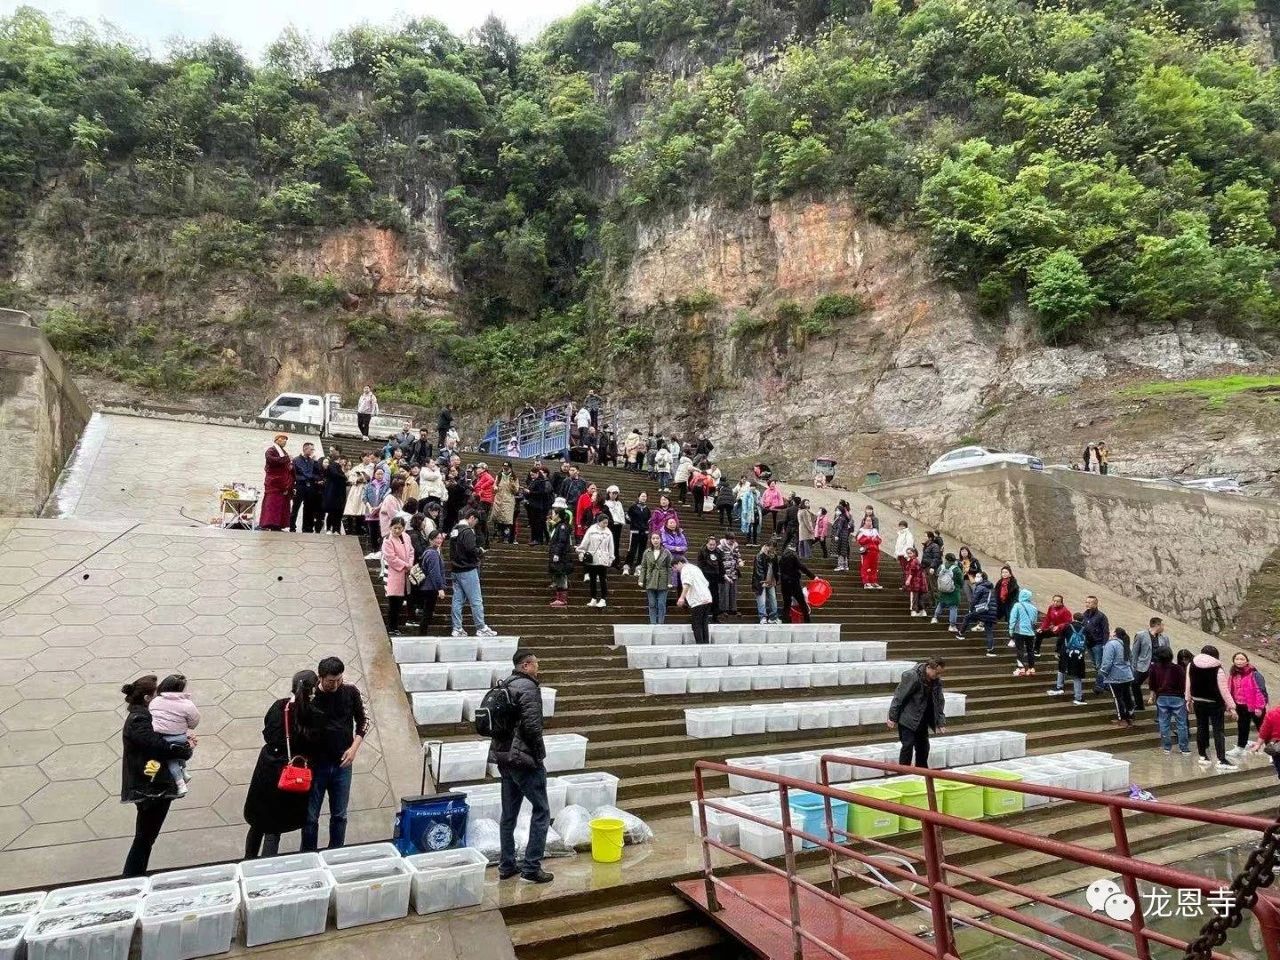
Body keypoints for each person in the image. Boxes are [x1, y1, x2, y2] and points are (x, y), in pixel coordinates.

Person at [120, 675, 194, 877]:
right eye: (156, 693)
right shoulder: (140, 721)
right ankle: (131, 878)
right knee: (144, 838)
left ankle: (134, 875)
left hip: (151, 784)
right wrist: (185, 748)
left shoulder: (146, 716)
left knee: (146, 837)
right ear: (146, 698)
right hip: (150, 788)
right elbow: (160, 747)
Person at [491, 650, 552, 884]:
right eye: (536, 664)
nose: (538, 668)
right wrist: (538, 756)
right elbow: (533, 727)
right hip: (523, 759)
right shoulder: (528, 687)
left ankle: (507, 865)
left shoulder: (505, 685)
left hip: (504, 757)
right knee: (542, 810)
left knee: (509, 814)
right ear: (525, 665)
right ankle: (531, 867)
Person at [244, 670, 318, 857]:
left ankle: (248, 860)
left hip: (266, 769)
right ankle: (267, 865)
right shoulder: (313, 713)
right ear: (313, 689)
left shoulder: (279, 706)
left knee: (258, 823)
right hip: (290, 773)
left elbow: (267, 732)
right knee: (274, 827)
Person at [301, 657, 369, 852]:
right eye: (331, 681)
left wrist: (354, 748)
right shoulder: (310, 696)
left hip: (342, 763)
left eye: (339, 679)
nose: (336, 684)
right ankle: (309, 853)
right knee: (310, 817)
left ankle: (336, 852)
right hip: (316, 764)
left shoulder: (350, 691)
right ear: (321, 678)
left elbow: (364, 720)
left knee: (339, 815)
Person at [887, 659, 948, 768]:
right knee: (908, 745)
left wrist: (940, 722)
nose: (938, 676)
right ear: (929, 668)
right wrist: (892, 717)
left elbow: (939, 701)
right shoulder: (912, 676)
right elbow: (899, 696)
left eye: (940, 673)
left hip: (923, 719)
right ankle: (904, 772)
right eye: (937, 673)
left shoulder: (936, 682)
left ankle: (921, 772)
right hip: (908, 718)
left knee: (924, 748)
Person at [450, 508, 498, 637]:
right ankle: (481, 627)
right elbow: (471, 549)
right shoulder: (467, 531)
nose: (475, 524)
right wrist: (480, 551)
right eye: (475, 521)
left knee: (457, 600)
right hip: (468, 569)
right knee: (476, 600)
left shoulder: (455, 529)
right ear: (472, 517)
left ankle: (457, 628)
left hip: (456, 569)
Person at [149, 674, 199, 797]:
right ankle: (183, 774)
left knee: (171, 759)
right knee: (177, 755)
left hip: (162, 737)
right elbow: (194, 721)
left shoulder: (155, 701)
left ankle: (181, 783)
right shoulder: (188, 705)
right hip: (180, 736)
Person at [1188, 645, 1236, 770]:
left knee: (1201, 728)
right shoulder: (1217, 669)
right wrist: (1232, 707)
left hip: (1198, 701)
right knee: (1218, 731)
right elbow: (1224, 690)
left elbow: (1188, 683)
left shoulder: (1191, 665)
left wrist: (1188, 699)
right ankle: (1221, 759)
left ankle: (1203, 756)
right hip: (1215, 703)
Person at [1148, 647, 1189, 754]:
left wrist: (1152, 696)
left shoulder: (1154, 668)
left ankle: (1167, 747)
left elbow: (1152, 684)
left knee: (1163, 723)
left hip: (1161, 697)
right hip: (1177, 697)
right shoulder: (1178, 668)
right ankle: (1184, 748)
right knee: (1181, 724)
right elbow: (1183, 684)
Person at [1228, 653, 1270, 758]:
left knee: (1263, 728)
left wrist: (1259, 707)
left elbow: (1260, 691)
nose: (1239, 661)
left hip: (1255, 707)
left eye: (1242, 659)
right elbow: (1230, 689)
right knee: (1242, 727)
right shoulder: (1233, 674)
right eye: (1237, 659)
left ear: (1247, 661)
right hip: (1240, 706)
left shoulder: (1254, 674)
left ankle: (1272, 751)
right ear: (1233, 661)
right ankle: (1240, 748)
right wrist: (1231, 706)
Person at [1047, 613, 1089, 705]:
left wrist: (1057, 650)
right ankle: (1078, 697)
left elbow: (1061, 638)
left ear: (1073, 618)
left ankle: (1059, 687)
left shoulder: (1067, 626)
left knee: (1061, 669)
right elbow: (1089, 641)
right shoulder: (1086, 629)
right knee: (1077, 676)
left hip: (1066, 652)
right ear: (1082, 620)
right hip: (1078, 655)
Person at [382, 516, 414, 635]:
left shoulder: (406, 537)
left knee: (400, 602)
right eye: (395, 528)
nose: (397, 530)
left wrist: (410, 563)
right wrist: (405, 565)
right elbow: (391, 558)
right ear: (390, 527)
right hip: (394, 573)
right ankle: (391, 627)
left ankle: (395, 627)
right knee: (393, 602)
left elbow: (411, 551)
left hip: (405, 573)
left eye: (399, 528)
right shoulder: (387, 540)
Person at [1098, 627, 1136, 726]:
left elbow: (1107, 662)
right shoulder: (1125, 644)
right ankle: (1130, 715)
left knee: (1118, 698)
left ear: (1114, 633)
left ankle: (1122, 718)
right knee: (1127, 695)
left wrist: (1102, 673)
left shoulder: (1111, 644)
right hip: (1127, 675)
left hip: (1115, 676)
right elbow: (1131, 659)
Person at [577, 513, 615, 608]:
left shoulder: (608, 532)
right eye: (604, 523)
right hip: (593, 557)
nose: (605, 525)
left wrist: (611, 557)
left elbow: (611, 546)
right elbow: (585, 542)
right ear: (599, 522)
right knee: (593, 579)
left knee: (603, 579)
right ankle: (593, 598)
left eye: (607, 523)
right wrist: (581, 550)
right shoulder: (591, 530)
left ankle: (603, 599)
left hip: (603, 558)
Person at [674, 556, 714, 644]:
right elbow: (706, 582)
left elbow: (687, 583)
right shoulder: (695, 567)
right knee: (704, 623)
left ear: (680, 563)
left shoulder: (685, 569)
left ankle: (700, 644)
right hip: (707, 597)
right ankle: (705, 644)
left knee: (697, 624)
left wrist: (682, 597)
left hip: (697, 600)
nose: (675, 570)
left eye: (675, 567)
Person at [416, 528, 447, 634]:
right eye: (436, 538)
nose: (439, 540)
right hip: (430, 587)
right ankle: (422, 633)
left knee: (427, 612)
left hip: (427, 586)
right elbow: (435, 572)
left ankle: (422, 633)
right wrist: (440, 588)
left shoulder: (428, 551)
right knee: (427, 612)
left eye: (440, 538)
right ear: (430, 540)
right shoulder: (433, 553)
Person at [260, 434, 294, 532]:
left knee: (282, 505)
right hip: (273, 483)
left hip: (283, 483)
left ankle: (279, 525)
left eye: (286, 440)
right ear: (276, 440)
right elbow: (271, 460)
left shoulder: (284, 452)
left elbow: (286, 466)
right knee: (272, 504)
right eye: (282, 439)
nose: (285, 441)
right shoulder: (271, 451)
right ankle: (270, 524)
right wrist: (286, 458)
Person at [638, 532, 674, 624]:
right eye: (653, 538)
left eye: (657, 538)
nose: (655, 540)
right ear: (651, 540)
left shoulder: (666, 552)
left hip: (663, 579)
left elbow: (670, 567)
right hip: (650, 579)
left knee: (661, 603)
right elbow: (644, 567)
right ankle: (653, 623)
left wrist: (670, 581)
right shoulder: (647, 552)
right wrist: (641, 579)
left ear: (661, 539)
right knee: (652, 603)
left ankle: (660, 622)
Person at [289, 442, 323, 533]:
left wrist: (315, 463)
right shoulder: (296, 460)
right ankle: (292, 526)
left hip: (310, 487)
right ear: (305, 449)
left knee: (309, 507)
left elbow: (318, 474)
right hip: (300, 485)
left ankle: (307, 527)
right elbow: (297, 473)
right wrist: (309, 476)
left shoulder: (313, 461)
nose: (312, 451)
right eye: (311, 449)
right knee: (296, 506)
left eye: (313, 449)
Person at [960, 571, 997, 650]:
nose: (976, 578)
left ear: (983, 578)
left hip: (982, 610)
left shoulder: (980, 587)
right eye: (976, 576)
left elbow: (974, 600)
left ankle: (960, 634)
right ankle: (990, 650)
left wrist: (970, 609)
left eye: (978, 576)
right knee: (989, 630)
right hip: (991, 611)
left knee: (967, 617)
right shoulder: (991, 587)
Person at [779, 544, 815, 623]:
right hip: (794, 583)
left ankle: (785, 620)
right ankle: (807, 620)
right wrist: (813, 577)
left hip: (784, 583)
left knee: (787, 603)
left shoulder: (782, 559)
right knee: (802, 602)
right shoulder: (793, 557)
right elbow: (802, 567)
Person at [547, 500, 574, 608]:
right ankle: (559, 598)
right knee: (558, 575)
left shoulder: (562, 526)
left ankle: (562, 599)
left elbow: (561, 541)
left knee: (561, 576)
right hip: (559, 554)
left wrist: (557, 554)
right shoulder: (558, 526)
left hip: (562, 556)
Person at [1009, 588, 1039, 676]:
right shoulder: (1034, 608)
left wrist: (1011, 631)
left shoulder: (1017, 605)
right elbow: (1034, 622)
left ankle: (1021, 668)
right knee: (1030, 650)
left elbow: (1013, 619)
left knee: (1020, 650)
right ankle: (1031, 668)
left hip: (1019, 631)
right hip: (1030, 632)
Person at [1034, 595, 1073, 662]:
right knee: (1039, 633)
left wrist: (1059, 626)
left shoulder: (1065, 611)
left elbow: (1068, 622)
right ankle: (1036, 650)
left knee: (1061, 638)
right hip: (1053, 629)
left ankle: (1058, 652)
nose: (1055, 602)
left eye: (1057, 601)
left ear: (1061, 602)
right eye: (1054, 601)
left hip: (1062, 630)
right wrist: (1042, 628)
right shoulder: (1051, 607)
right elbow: (1047, 619)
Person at [931, 553, 964, 632]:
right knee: (953, 608)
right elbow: (960, 581)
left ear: (945, 559)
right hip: (953, 591)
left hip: (942, 590)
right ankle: (952, 626)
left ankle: (935, 618)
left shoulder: (941, 567)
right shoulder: (956, 569)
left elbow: (937, 575)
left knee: (941, 604)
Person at [1247, 701, 1280, 778]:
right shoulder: (1272, 714)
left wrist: (1258, 744)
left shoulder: (1272, 714)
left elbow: (1264, 731)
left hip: (1276, 747)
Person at [362, 467, 389, 558]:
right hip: (370, 512)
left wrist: (378, 508)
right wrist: (370, 508)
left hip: (381, 512)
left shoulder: (386, 486)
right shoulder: (368, 485)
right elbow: (364, 498)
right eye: (378, 473)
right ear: (374, 474)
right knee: (372, 532)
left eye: (382, 474)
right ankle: (374, 550)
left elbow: (385, 498)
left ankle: (381, 551)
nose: (380, 475)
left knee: (381, 532)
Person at [697, 536, 725, 622]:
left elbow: (721, 565)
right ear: (707, 544)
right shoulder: (702, 551)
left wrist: (723, 575)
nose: (712, 546)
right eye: (710, 544)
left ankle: (715, 617)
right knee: (705, 597)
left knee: (715, 597)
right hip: (705, 577)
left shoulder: (718, 552)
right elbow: (700, 565)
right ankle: (704, 617)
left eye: (714, 545)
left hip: (715, 577)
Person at [752, 540, 780, 624]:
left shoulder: (774, 556)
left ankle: (773, 617)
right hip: (760, 581)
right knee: (762, 599)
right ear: (767, 546)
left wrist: (776, 579)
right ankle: (763, 617)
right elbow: (758, 570)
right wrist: (763, 581)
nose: (772, 551)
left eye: (773, 549)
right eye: (771, 549)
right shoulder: (759, 556)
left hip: (771, 579)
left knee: (773, 598)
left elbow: (776, 569)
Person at [623, 492, 651, 575]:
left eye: (645, 496)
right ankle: (627, 566)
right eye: (642, 496)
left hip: (644, 532)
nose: (644, 498)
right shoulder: (633, 507)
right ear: (638, 497)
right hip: (635, 531)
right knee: (632, 549)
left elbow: (649, 520)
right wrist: (634, 524)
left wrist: (646, 528)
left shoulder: (647, 509)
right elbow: (628, 517)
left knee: (642, 550)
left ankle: (638, 567)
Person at [1081, 596, 1110, 672]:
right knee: (1094, 664)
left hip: (1098, 644)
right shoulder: (1084, 615)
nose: (1087, 604)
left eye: (1089, 602)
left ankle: (1101, 679)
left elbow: (1106, 631)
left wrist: (1104, 644)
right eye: (1086, 602)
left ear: (1095, 604)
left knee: (1099, 665)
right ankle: (1099, 678)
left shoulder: (1101, 616)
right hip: (1088, 644)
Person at [523, 466, 551, 546]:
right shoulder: (533, 481)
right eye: (531, 475)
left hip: (537, 506)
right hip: (531, 505)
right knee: (533, 523)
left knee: (537, 523)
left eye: (533, 475)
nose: (531, 476)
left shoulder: (541, 482)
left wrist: (530, 492)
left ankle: (537, 539)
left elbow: (541, 493)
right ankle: (534, 539)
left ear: (537, 473)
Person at [1130, 621, 1154, 712]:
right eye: (1161, 625)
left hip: (1157, 665)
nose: (1163, 627)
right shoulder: (1141, 635)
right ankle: (1139, 704)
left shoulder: (1163, 638)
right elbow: (1135, 652)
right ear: (1156, 625)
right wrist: (1134, 666)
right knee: (1135, 683)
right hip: (1143, 665)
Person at [322, 452, 348, 534]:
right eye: (343, 460)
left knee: (338, 512)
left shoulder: (339, 467)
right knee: (332, 511)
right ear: (339, 459)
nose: (344, 462)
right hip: (333, 493)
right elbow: (335, 475)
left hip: (338, 493)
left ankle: (336, 529)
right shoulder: (333, 465)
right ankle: (329, 528)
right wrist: (345, 477)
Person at [493, 464, 519, 545]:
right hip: (499, 500)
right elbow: (494, 485)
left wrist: (512, 485)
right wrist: (495, 487)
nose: (505, 469)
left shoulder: (514, 478)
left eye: (507, 468)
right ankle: (498, 537)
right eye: (504, 468)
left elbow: (516, 490)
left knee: (507, 521)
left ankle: (506, 538)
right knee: (498, 519)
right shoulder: (499, 476)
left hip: (508, 501)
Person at [718, 531, 741, 618]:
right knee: (724, 591)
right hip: (725, 572)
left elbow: (738, 556)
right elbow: (719, 560)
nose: (732, 542)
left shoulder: (736, 546)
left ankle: (733, 608)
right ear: (726, 539)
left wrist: (740, 561)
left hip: (734, 572)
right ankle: (724, 609)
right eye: (730, 540)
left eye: (733, 540)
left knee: (733, 591)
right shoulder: (720, 547)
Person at [473, 463, 496, 548]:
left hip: (485, 500)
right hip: (482, 500)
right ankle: (484, 542)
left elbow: (492, 480)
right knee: (482, 521)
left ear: (483, 469)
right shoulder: (480, 477)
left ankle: (484, 542)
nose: (477, 469)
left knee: (482, 521)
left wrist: (482, 487)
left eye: (478, 468)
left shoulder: (486, 475)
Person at [602, 485, 626, 569]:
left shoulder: (619, 503)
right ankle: (608, 560)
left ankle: (616, 561)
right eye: (613, 493)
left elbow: (621, 513)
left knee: (616, 543)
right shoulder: (606, 503)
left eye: (616, 493)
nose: (614, 495)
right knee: (609, 542)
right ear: (608, 493)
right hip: (610, 525)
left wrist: (622, 521)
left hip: (618, 525)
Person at [856, 517, 883, 589]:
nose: (869, 522)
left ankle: (873, 581)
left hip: (875, 551)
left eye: (870, 521)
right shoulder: (861, 531)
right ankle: (866, 582)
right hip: (866, 551)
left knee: (874, 567)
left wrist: (875, 539)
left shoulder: (874, 531)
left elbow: (879, 540)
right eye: (867, 521)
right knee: (865, 566)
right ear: (864, 522)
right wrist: (868, 538)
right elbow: (859, 540)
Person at [904, 546, 929, 619]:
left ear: (914, 553)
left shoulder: (913, 561)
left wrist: (908, 580)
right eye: (908, 553)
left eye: (910, 553)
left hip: (916, 581)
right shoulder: (916, 560)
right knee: (919, 597)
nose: (909, 555)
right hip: (920, 581)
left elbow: (912, 572)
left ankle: (914, 611)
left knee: (915, 596)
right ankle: (922, 611)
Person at [832, 502, 852, 573]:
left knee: (840, 551)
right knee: (844, 551)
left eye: (838, 510)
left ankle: (840, 565)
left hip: (841, 536)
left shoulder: (841, 518)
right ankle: (845, 566)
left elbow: (839, 528)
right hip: (845, 536)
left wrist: (837, 535)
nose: (836, 512)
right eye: (836, 510)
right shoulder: (844, 518)